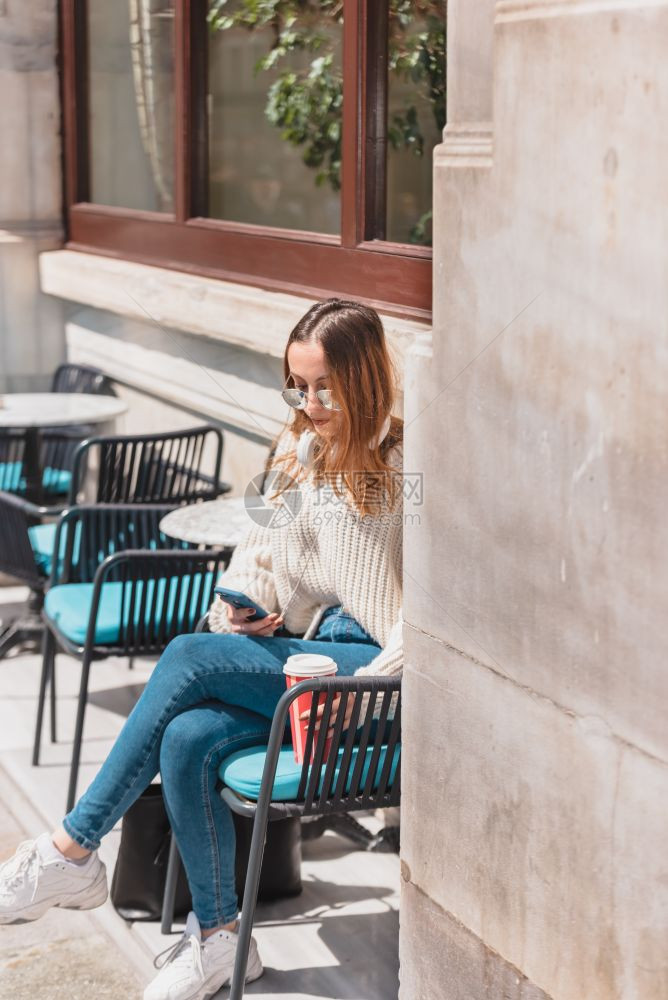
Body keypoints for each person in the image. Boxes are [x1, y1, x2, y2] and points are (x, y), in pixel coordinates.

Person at [0, 298, 404, 1000]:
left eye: (324, 389)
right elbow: (256, 557)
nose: (307, 404)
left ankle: (72, 848)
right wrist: (240, 605)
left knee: (185, 656)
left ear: (364, 381)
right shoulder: (295, 450)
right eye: (296, 386)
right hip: (304, 651)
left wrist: (369, 687)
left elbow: (433, 615)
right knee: (187, 735)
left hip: (369, 674)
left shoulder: (404, 465)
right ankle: (222, 941)